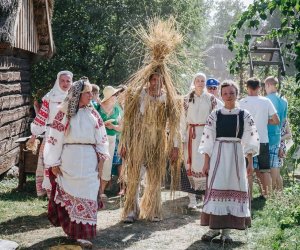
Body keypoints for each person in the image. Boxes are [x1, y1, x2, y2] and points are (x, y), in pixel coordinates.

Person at [43, 79, 109, 248]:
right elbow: (54, 139)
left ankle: (85, 233)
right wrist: (54, 162)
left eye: (90, 92)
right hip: (69, 160)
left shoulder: (94, 114)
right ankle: (74, 232)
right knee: (71, 196)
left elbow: (102, 136)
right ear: (78, 94)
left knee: (88, 194)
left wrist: (101, 157)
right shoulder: (63, 113)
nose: (91, 95)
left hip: (89, 161)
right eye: (87, 92)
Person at [199, 80, 260, 243]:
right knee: (217, 188)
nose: (228, 96)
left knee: (232, 187)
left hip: (236, 155)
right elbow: (208, 139)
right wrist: (206, 162)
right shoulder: (215, 115)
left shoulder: (244, 115)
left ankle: (226, 231)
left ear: (237, 94)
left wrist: (249, 162)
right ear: (220, 94)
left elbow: (251, 139)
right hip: (218, 155)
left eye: (231, 93)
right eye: (225, 93)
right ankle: (214, 229)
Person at [121, 69, 181, 223]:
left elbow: (175, 126)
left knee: (154, 178)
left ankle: (153, 210)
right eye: (153, 79)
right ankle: (132, 210)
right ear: (149, 80)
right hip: (139, 140)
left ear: (164, 82)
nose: (156, 83)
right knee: (135, 176)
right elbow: (127, 121)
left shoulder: (168, 98)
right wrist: (125, 143)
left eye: (159, 80)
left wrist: (175, 146)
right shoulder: (138, 95)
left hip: (158, 141)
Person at [28, 70, 73, 198]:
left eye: (68, 81)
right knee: (51, 166)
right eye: (62, 81)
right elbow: (41, 117)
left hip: (68, 137)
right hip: (51, 136)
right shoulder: (50, 97)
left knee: (66, 166)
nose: (65, 83)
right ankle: (52, 199)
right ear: (57, 81)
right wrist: (34, 134)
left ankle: (66, 198)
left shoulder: (74, 97)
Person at [239, 77, 279, 199]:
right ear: (259, 88)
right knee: (265, 170)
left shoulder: (241, 102)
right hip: (263, 139)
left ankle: (249, 197)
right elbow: (276, 120)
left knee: (248, 170)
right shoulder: (266, 101)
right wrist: (264, 121)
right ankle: (267, 196)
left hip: (246, 140)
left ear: (247, 88)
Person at [182, 72, 216, 209]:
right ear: (194, 82)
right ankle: (192, 200)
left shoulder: (211, 98)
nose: (200, 83)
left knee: (205, 165)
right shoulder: (186, 99)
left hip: (206, 134)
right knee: (189, 164)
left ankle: (205, 199)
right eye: (198, 80)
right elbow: (182, 119)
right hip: (191, 134)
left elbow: (215, 118)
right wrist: (182, 137)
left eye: (203, 81)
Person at [93, 86, 122, 200]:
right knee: (97, 163)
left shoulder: (117, 109)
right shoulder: (97, 107)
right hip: (99, 139)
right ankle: (94, 191)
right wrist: (101, 125)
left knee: (107, 165)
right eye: (115, 95)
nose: (116, 97)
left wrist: (113, 126)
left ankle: (102, 191)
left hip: (112, 139)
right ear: (109, 97)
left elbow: (121, 127)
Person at [264, 76, 288, 191]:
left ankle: (269, 190)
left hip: (266, 135)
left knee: (267, 166)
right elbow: (283, 120)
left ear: (268, 85)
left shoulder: (266, 100)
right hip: (277, 135)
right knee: (275, 164)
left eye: (265, 86)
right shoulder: (284, 101)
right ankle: (274, 191)